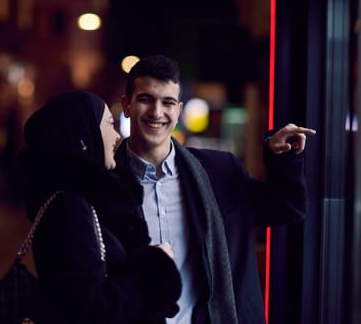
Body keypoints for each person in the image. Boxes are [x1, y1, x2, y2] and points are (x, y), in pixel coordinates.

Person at [113, 55, 316, 324]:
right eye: (145, 99)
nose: (156, 112)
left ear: (179, 110)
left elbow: (286, 208)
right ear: (126, 105)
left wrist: (282, 158)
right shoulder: (105, 183)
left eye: (168, 102)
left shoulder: (219, 171)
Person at [17, 91, 182, 323]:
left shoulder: (83, 203)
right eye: (109, 125)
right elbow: (91, 309)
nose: (116, 136)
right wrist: (154, 265)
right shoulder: (70, 209)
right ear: (84, 136)